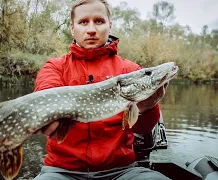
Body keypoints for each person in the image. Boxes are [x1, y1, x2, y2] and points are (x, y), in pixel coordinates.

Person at [33, 0, 169, 179]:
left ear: (110, 26)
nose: (91, 30)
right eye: (83, 22)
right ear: (72, 28)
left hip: (122, 171)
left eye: (99, 21)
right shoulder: (55, 67)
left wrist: (148, 108)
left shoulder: (130, 70)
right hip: (62, 172)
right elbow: (44, 104)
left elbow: (143, 129)